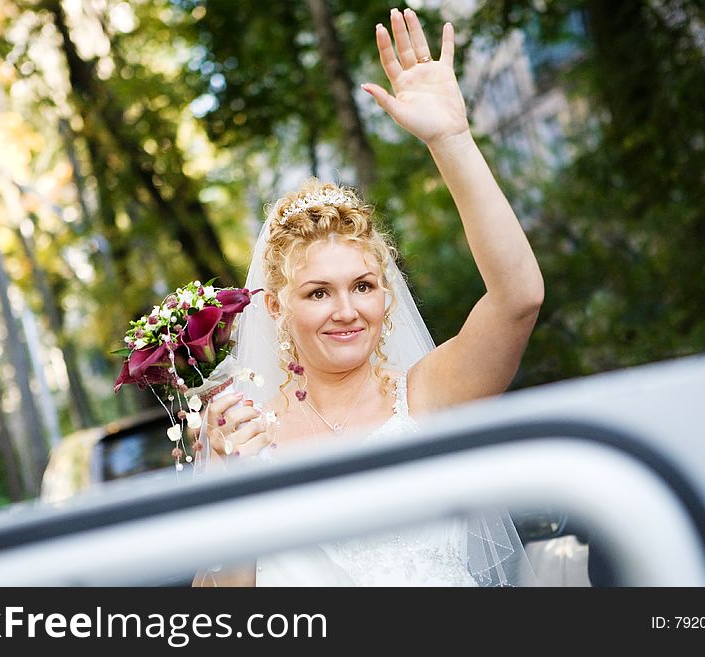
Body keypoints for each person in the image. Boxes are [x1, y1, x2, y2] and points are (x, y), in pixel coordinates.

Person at [192, 7, 544, 587]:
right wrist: (235, 483)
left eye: (362, 285)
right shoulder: (243, 436)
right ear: (276, 307)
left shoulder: (430, 395)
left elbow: (519, 298)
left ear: (387, 293)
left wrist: (451, 140)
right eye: (317, 292)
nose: (347, 310)